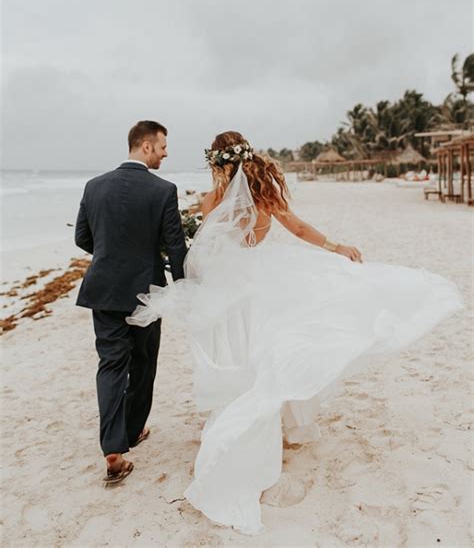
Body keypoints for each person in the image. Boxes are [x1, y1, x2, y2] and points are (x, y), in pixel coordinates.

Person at [127, 131, 463, 534]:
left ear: (218, 164)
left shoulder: (212, 201)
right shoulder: (265, 192)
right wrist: (336, 246)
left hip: (227, 293)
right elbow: (299, 229)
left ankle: (246, 417)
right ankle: (279, 421)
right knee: (269, 351)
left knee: (239, 355)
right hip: (262, 286)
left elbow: (201, 252)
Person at [75, 120, 187, 485]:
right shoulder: (163, 190)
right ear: (145, 146)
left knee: (110, 365)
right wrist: (182, 287)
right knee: (142, 363)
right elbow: (175, 246)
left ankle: (112, 448)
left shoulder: (94, 186)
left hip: (104, 290)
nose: (166, 152)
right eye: (163, 146)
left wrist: (111, 254)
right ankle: (133, 430)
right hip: (146, 293)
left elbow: (82, 237)